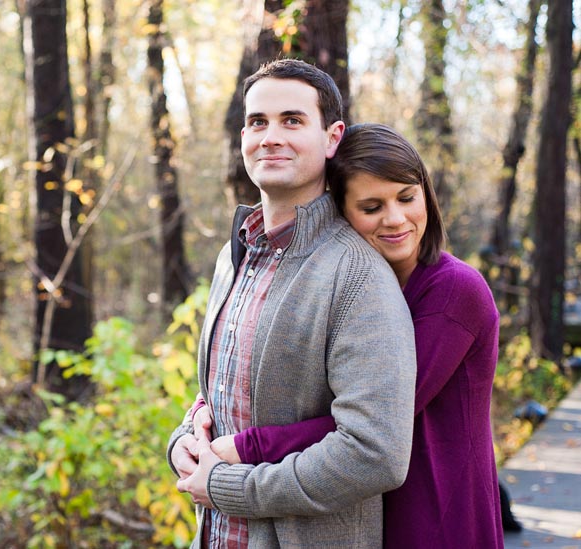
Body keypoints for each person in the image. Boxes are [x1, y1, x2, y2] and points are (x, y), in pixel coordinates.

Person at [192, 123, 505, 548]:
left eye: (407, 198)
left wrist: (248, 447)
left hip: (436, 513)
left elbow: (384, 417)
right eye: (372, 207)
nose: (395, 219)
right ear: (341, 212)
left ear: (426, 195)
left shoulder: (454, 291)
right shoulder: (351, 288)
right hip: (358, 509)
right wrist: (199, 427)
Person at [166, 59, 417, 548]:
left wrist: (230, 488)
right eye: (257, 121)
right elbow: (220, 399)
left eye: (292, 120)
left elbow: (375, 453)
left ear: (332, 137)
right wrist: (182, 442)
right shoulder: (235, 254)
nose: (270, 136)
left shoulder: (357, 275)